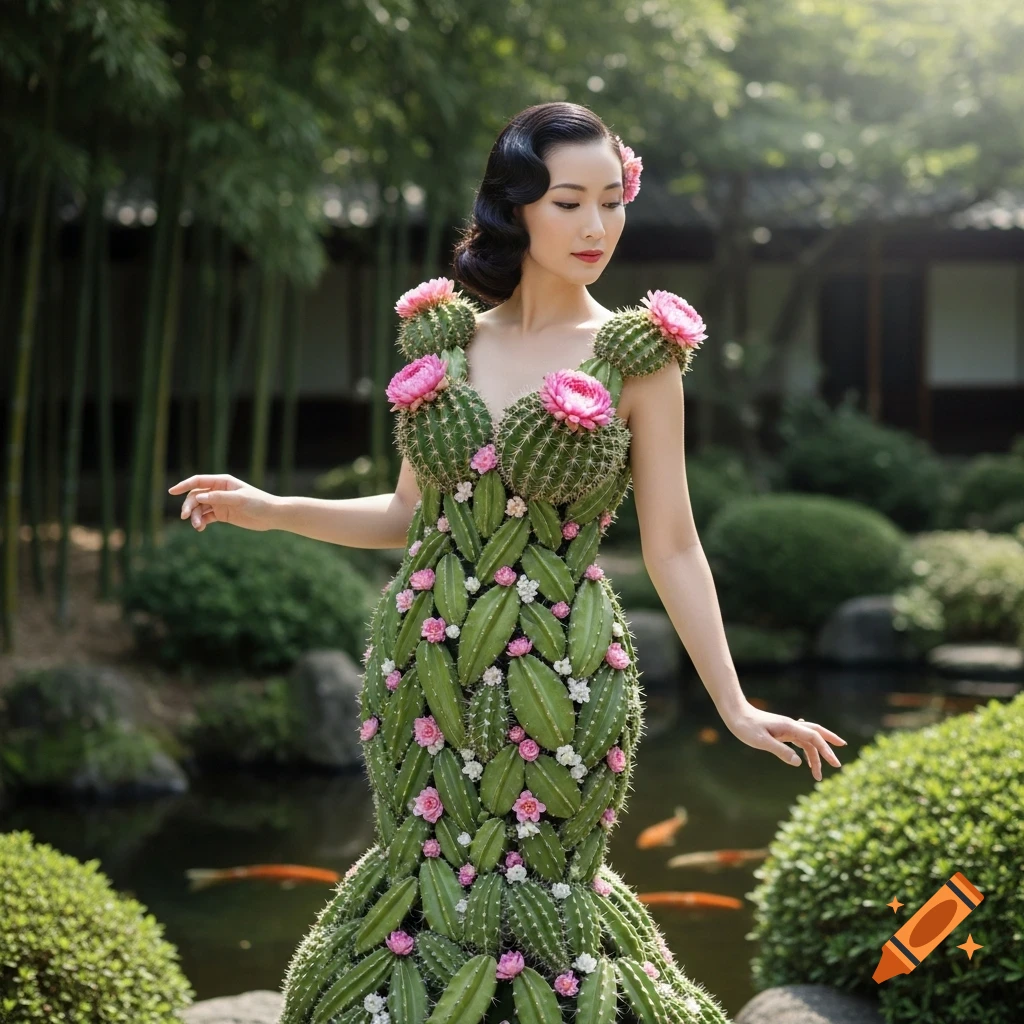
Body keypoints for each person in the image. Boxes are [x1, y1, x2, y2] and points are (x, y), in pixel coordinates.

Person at [169, 101, 845, 1024]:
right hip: (424, 662)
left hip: (563, 671)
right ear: (516, 206)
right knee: (422, 884)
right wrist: (274, 509)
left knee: (549, 902)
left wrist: (734, 702)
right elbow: (410, 513)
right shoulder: (446, 341)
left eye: (612, 201)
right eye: (569, 201)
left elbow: (673, 541)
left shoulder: (638, 358)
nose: (596, 226)